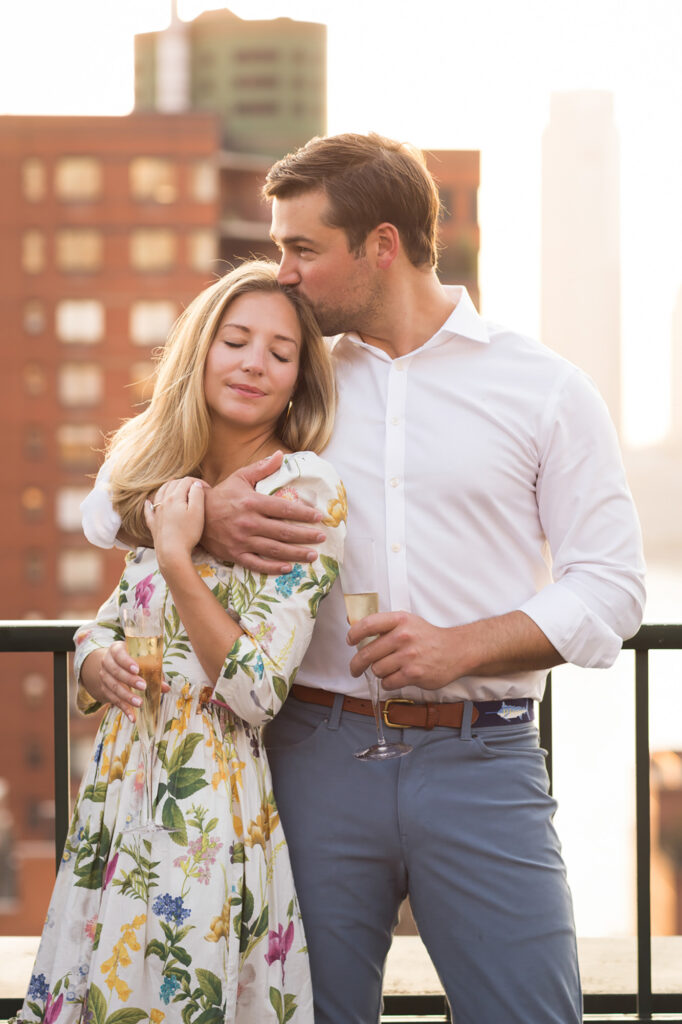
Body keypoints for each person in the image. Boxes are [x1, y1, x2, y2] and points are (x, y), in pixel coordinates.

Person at [80, 134, 646, 1024]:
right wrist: (200, 515)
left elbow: (612, 586)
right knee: (305, 1013)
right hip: (308, 757)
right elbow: (104, 506)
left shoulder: (545, 389)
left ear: (380, 245)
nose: (286, 273)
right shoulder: (294, 380)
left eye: (302, 248)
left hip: (482, 757)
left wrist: (465, 643)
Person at [14, 261, 346, 1024]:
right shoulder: (168, 479)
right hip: (118, 796)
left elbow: (258, 689)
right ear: (201, 352)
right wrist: (93, 656)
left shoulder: (304, 491)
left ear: (300, 379)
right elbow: (117, 617)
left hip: (204, 814)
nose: (254, 363)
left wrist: (177, 556)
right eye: (235, 340)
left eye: (280, 351)